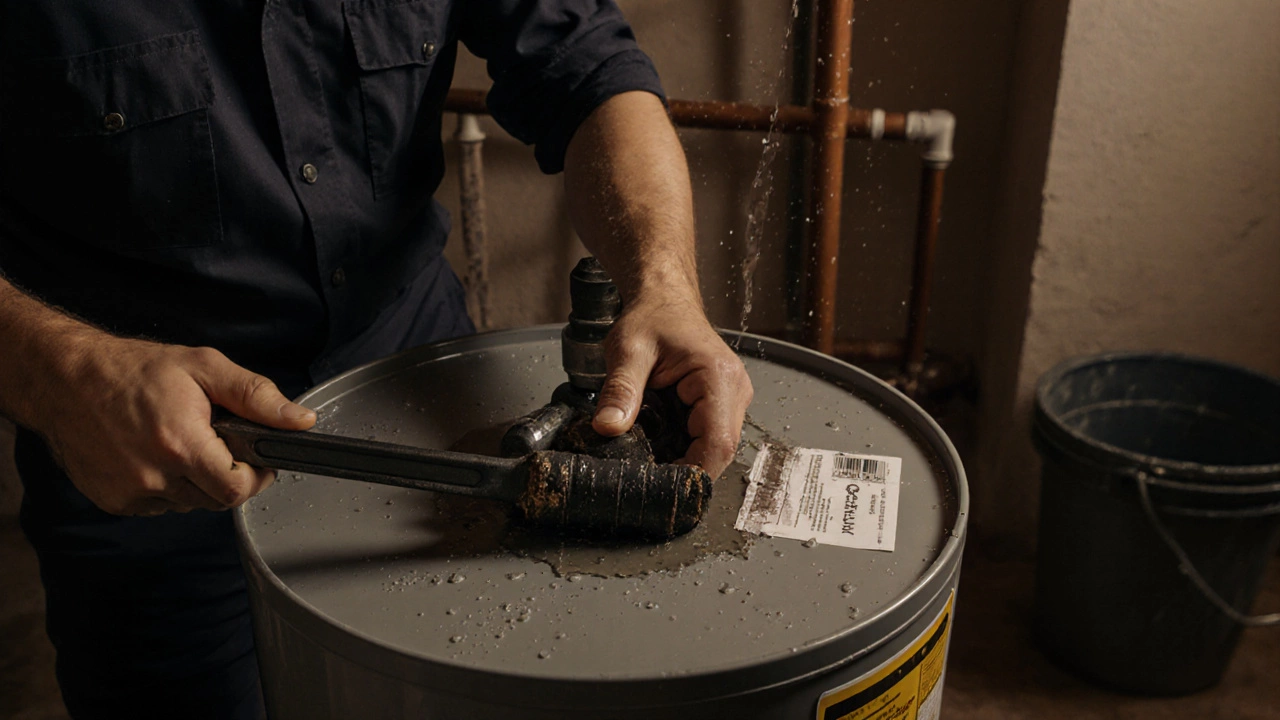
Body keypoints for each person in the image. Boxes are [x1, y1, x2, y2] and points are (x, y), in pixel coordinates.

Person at [0, 1, 754, 717]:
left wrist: (663, 282)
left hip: (425, 412)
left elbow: (592, 69)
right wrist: (59, 368)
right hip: (156, 464)